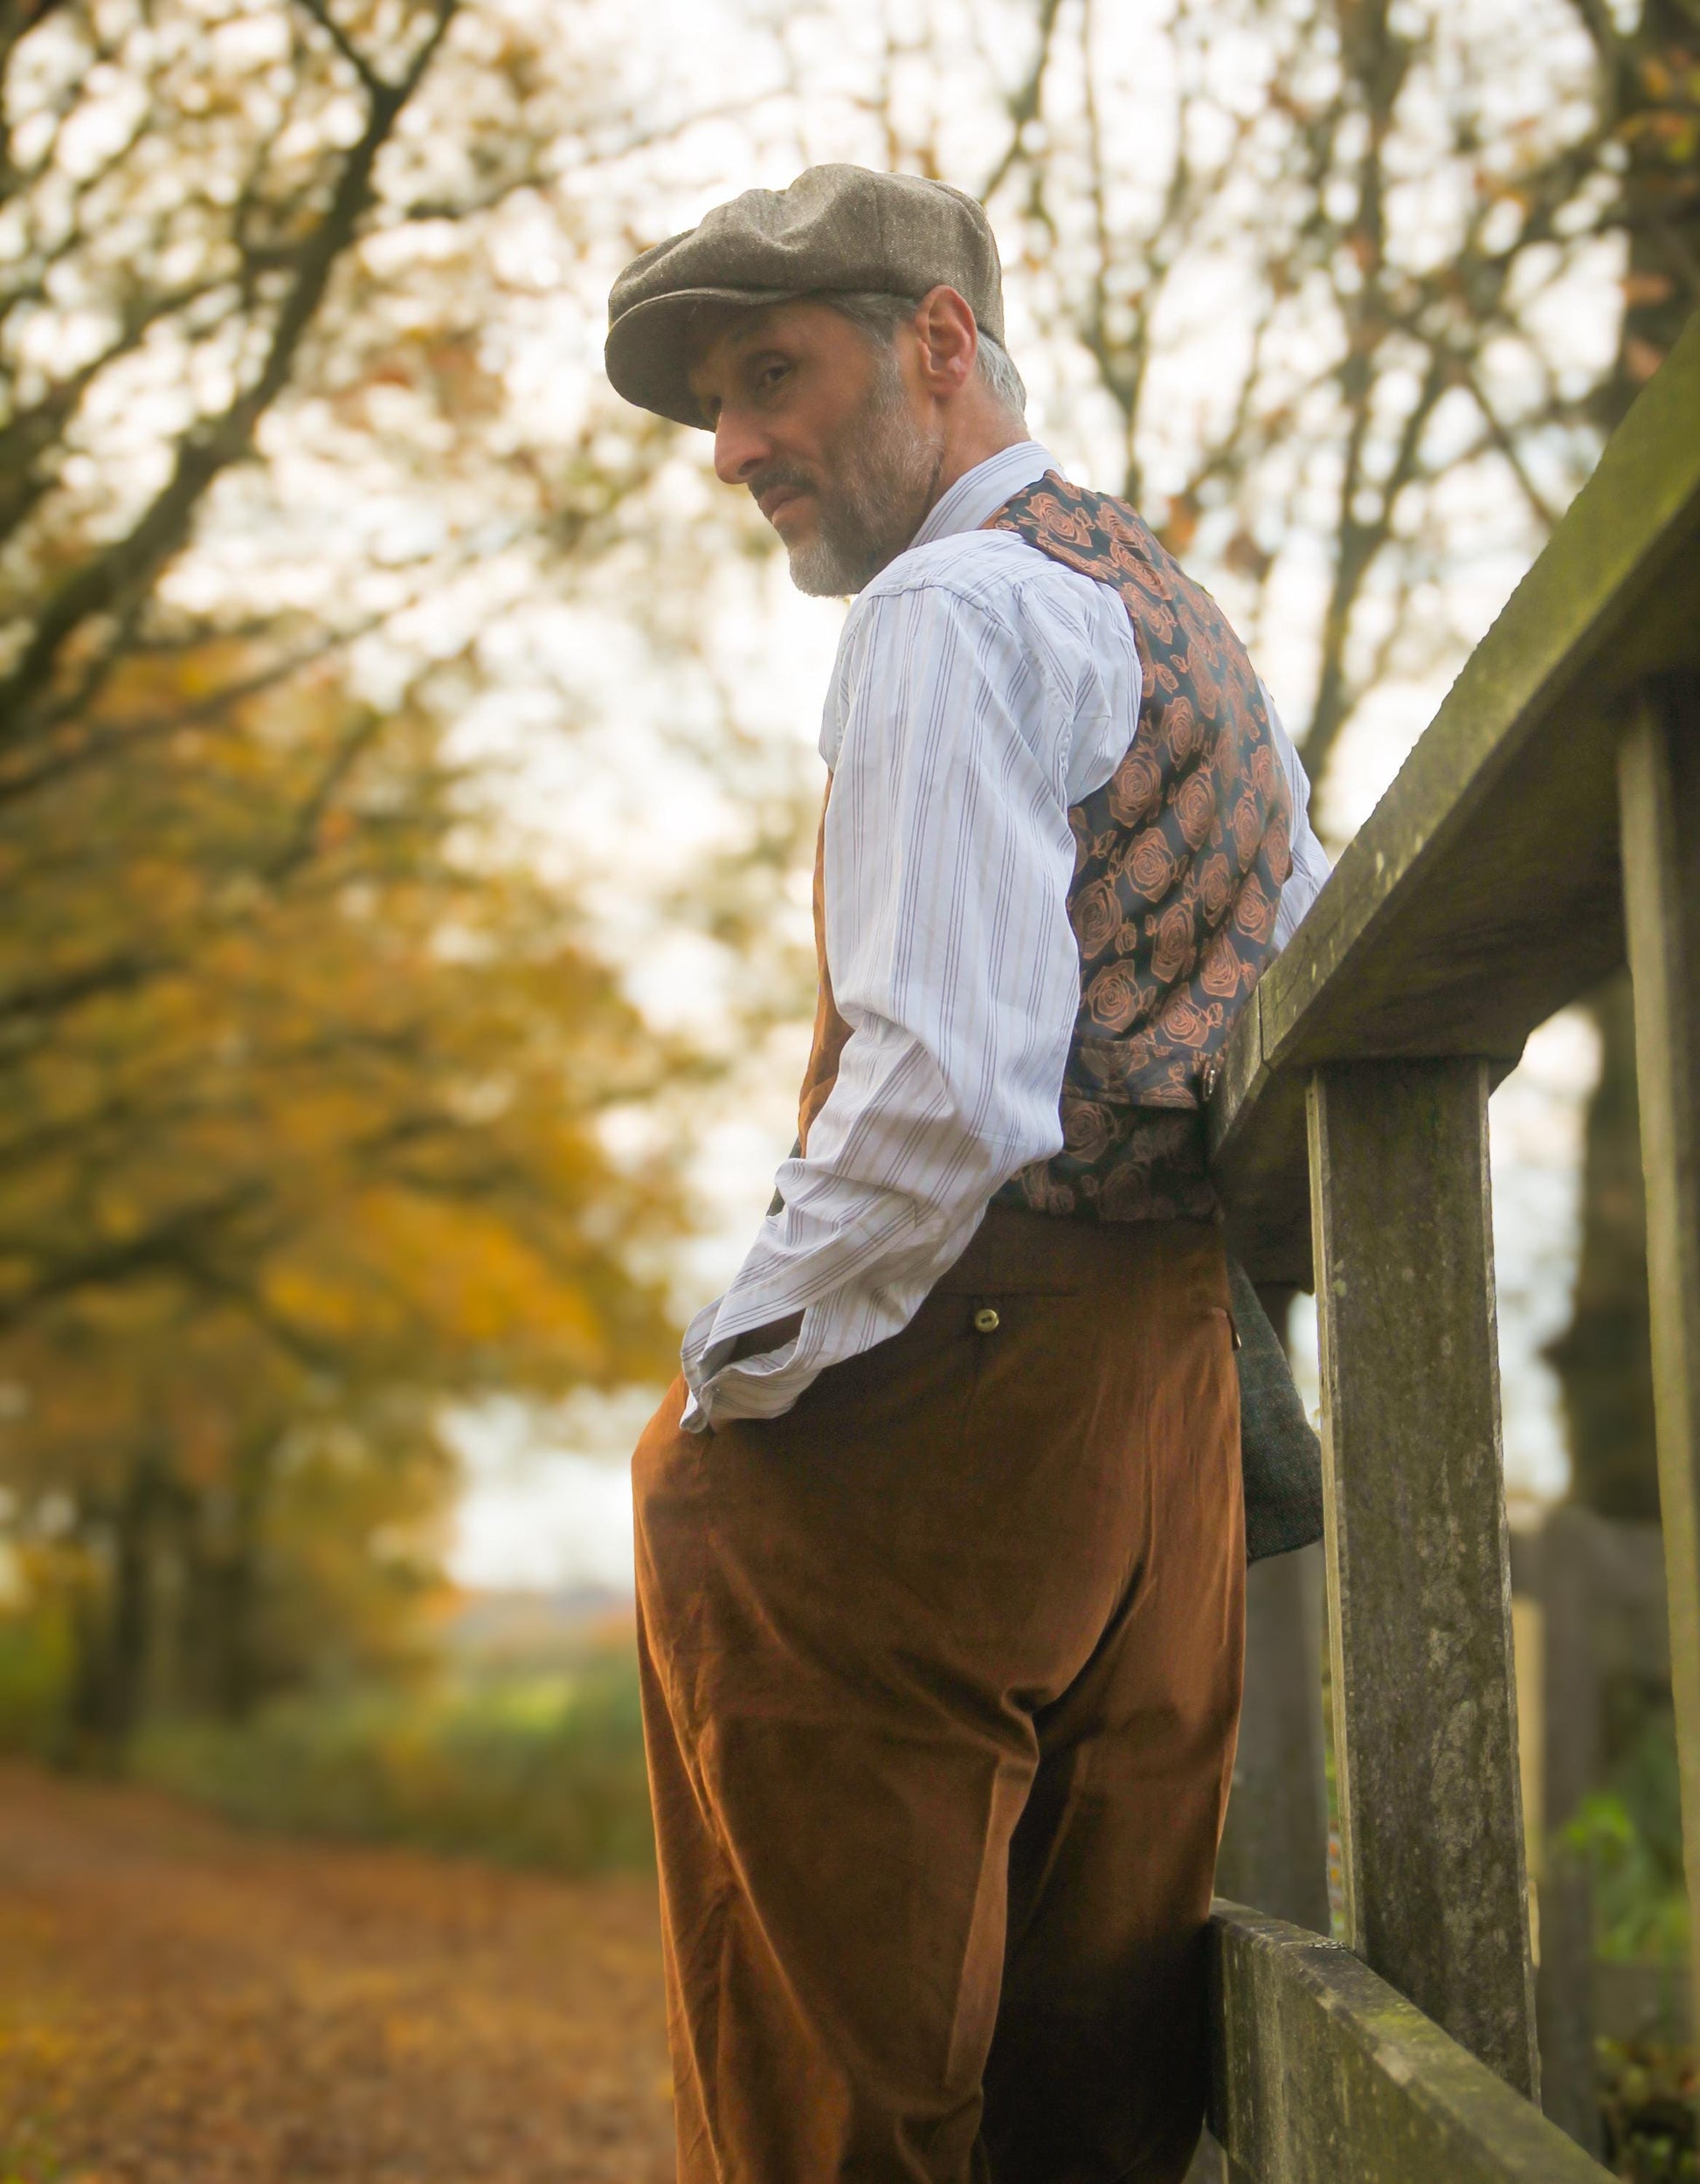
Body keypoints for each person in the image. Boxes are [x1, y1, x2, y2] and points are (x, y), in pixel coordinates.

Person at [605, 164, 1330, 2184]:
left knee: (836, 2090)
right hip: (1159, 1413)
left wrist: (734, 1370)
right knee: (1086, 2093)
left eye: (771, 374)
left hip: (932, 1409)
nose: (736, 446)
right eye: (713, 407)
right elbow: (1301, 946)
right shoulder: (1169, 610)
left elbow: (938, 1080)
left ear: (939, 338)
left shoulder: (945, 606)